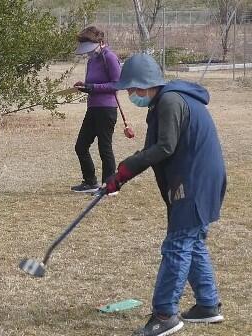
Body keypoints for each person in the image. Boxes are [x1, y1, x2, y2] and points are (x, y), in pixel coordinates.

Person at [104, 54, 226, 336]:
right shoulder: (164, 101)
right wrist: (118, 177)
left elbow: (165, 148)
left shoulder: (170, 101)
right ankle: (208, 306)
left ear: (147, 84)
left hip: (195, 180)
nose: (131, 94)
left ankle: (164, 314)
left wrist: (125, 170)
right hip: (198, 177)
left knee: (177, 245)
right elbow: (151, 149)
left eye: (133, 89)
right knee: (191, 240)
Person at [70, 26, 121, 193]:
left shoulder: (110, 57)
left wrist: (93, 87)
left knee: (104, 147)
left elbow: (116, 84)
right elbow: (93, 84)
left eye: (89, 48)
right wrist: (84, 86)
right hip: (92, 108)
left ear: (100, 42)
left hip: (106, 109)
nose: (88, 53)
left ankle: (110, 186)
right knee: (81, 146)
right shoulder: (92, 60)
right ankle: (90, 182)